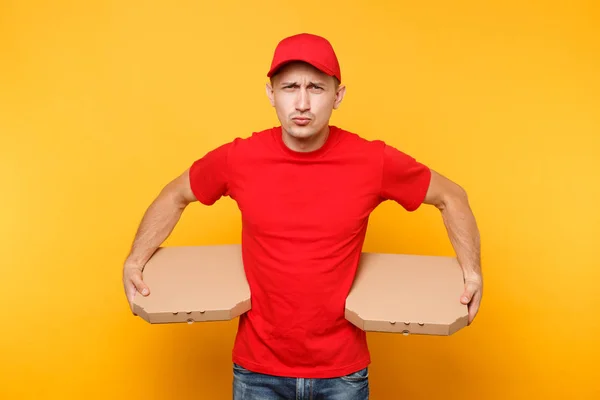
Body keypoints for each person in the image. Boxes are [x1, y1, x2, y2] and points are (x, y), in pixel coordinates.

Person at [122, 33, 483, 400]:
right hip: (257, 371)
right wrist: (136, 259)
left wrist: (472, 272)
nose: (302, 102)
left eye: (317, 88)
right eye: (290, 87)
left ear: (338, 96)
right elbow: (175, 195)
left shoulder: (372, 161)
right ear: (271, 94)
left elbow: (452, 197)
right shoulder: (239, 159)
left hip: (342, 373)